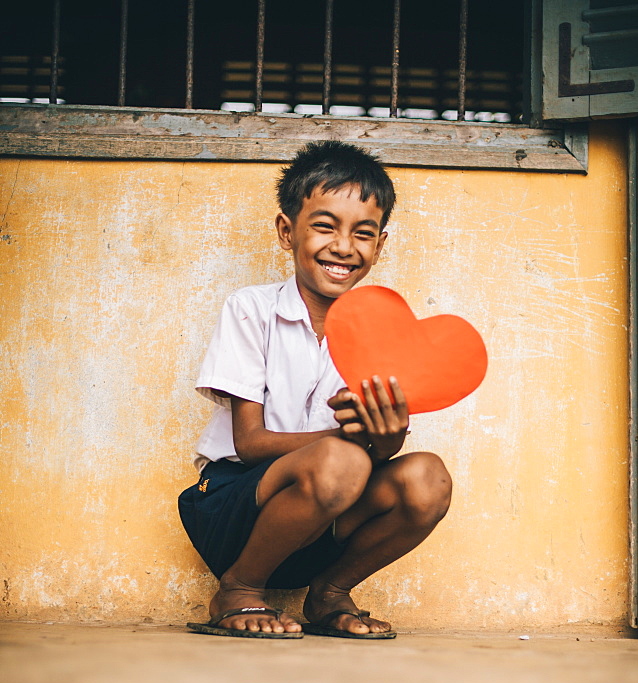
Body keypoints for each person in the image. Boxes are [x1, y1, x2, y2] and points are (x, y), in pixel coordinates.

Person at [179, 140, 452, 639]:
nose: (344, 247)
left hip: (324, 526)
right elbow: (250, 443)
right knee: (341, 460)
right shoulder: (252, 309)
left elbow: (382, 450)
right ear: (288, 232)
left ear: (380, 244)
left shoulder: (380, 336)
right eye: (325, 226)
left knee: (427, 477)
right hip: (229, 511)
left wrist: (387, 433)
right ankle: (239, 588)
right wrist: (346, 441)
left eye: (363, 234)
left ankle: (329, 593)